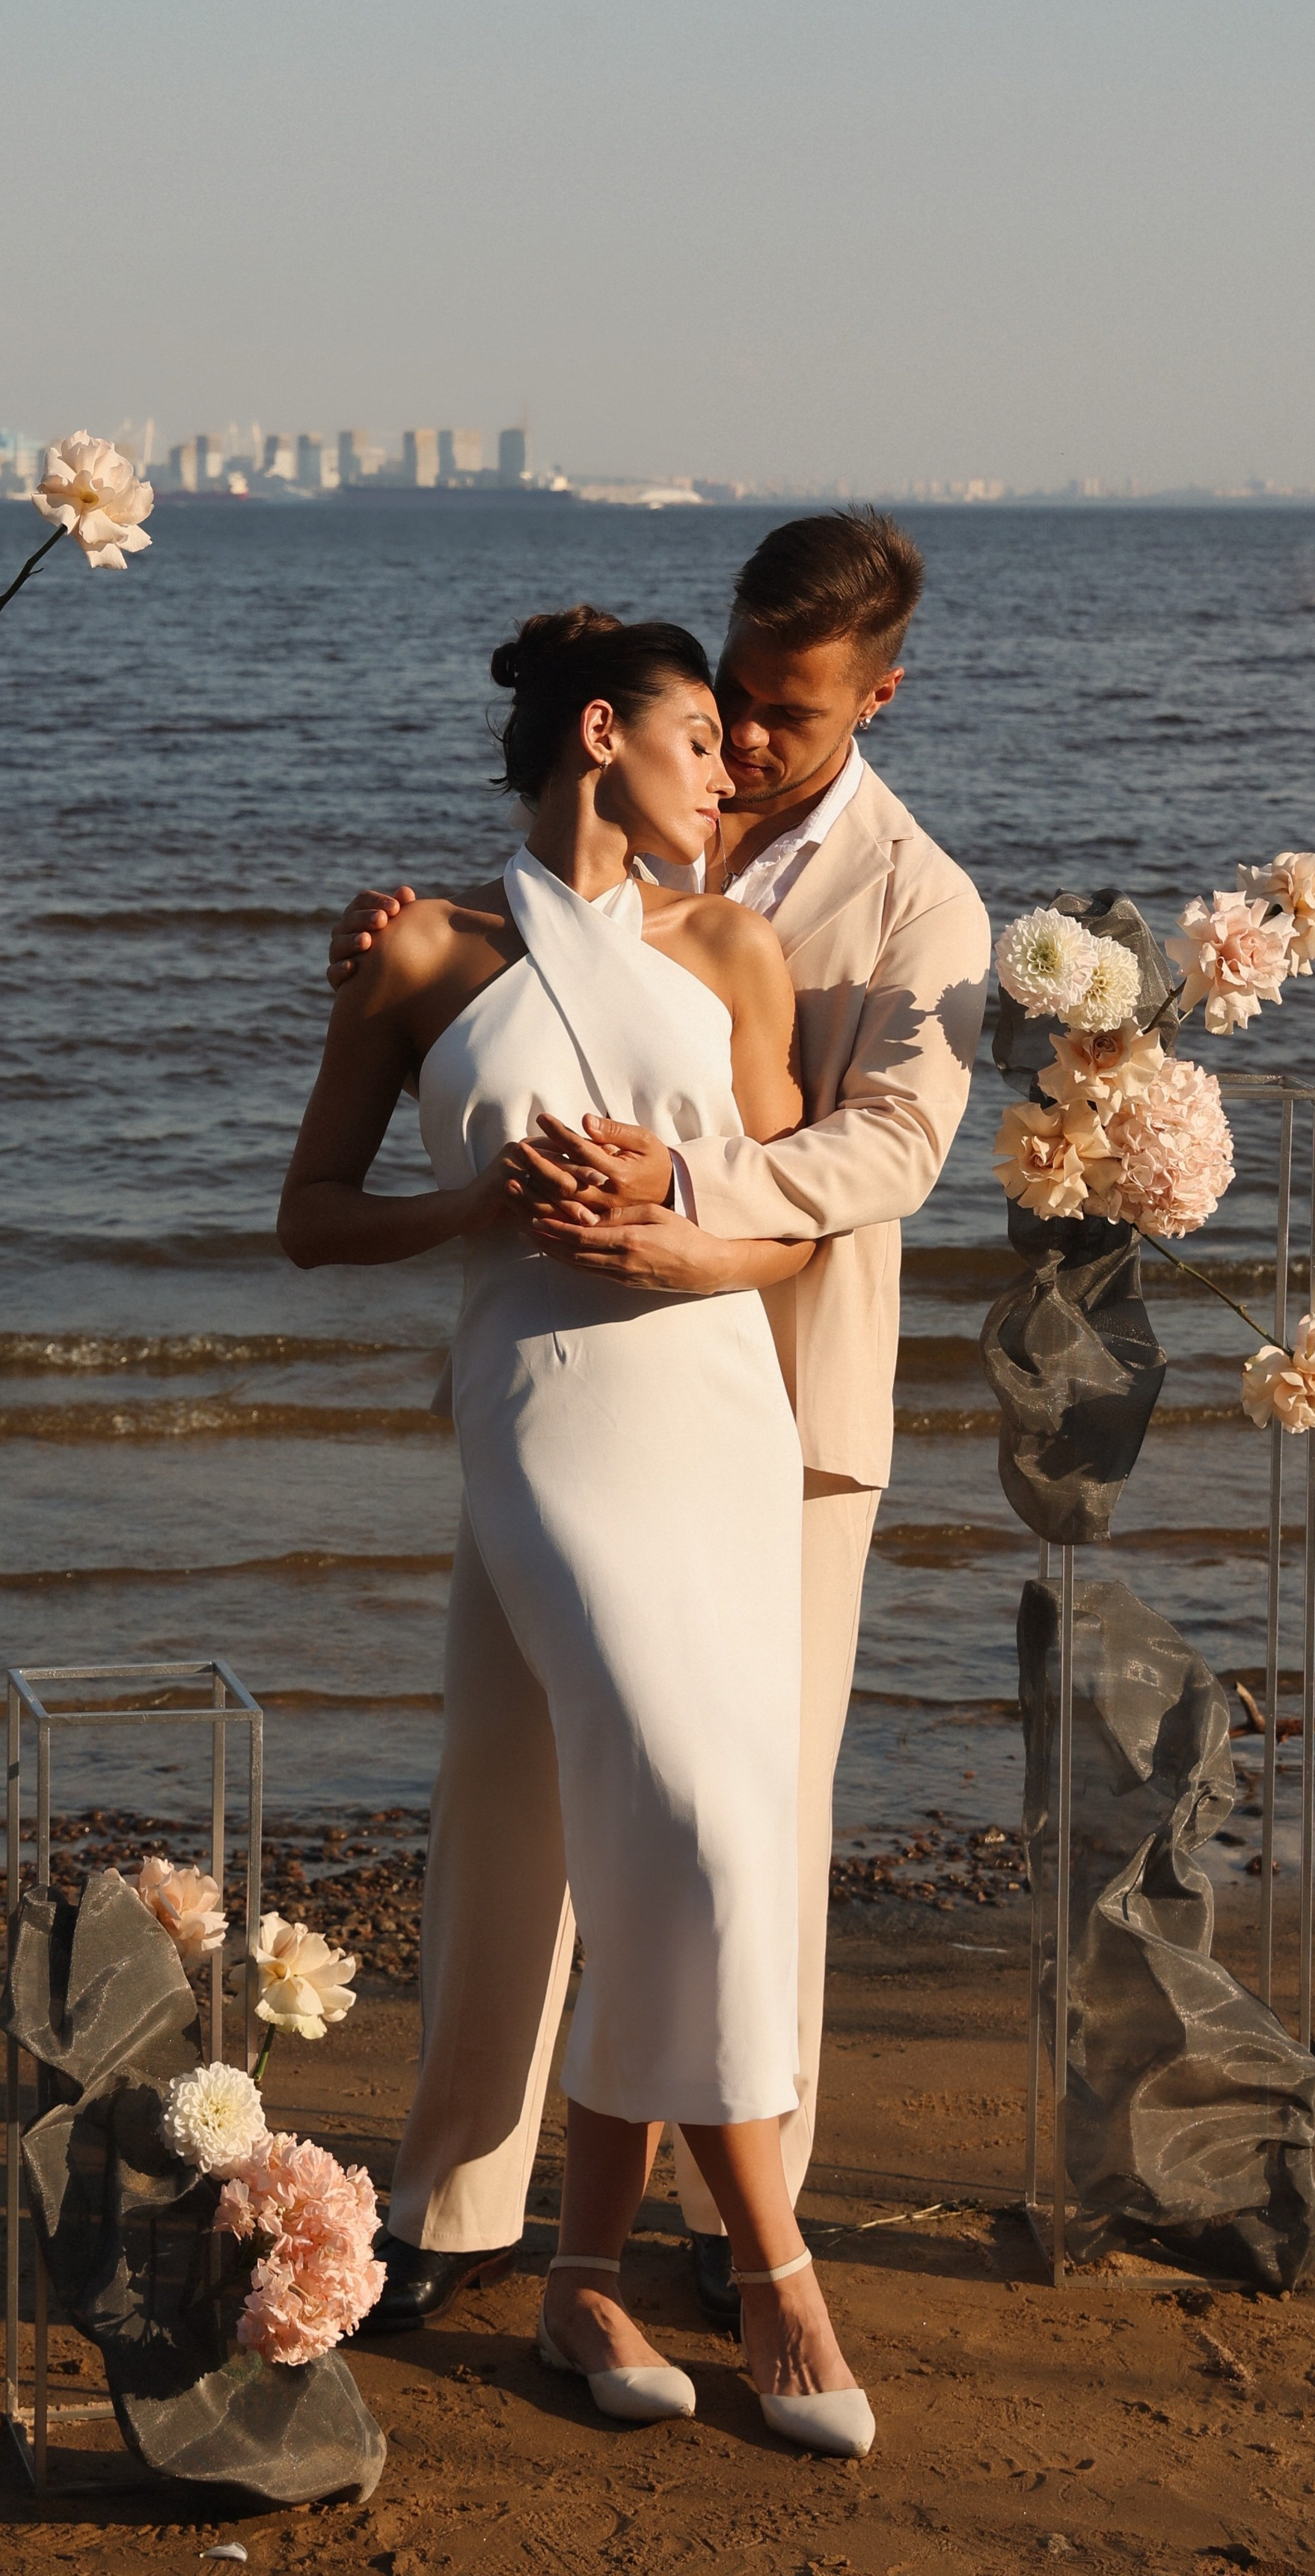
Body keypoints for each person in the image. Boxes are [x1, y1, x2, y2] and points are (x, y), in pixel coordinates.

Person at [328, 509, 991, 2335]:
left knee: (737, 1818)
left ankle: (722, 2213)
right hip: (554, 1398)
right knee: (502, 1794)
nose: (753, 739)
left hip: (779, 1409)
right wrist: (396, 968)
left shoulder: (916, 898)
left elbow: (892, 1147)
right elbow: (486, 990)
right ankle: (456, 2197)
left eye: (788, 708)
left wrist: (684, 1184)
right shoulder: (642, 793)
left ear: (878, 694)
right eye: (736, 697)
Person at [281, 607, 874, 2454]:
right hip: (543, 1417)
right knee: (683, 1808)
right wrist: (469, 1207)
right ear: (602, 734)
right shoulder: (419, 955)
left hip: (713, 1403)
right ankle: (775, 2264)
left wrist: (681, 1221)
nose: (731, 772)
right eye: (704, 741)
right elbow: (308, 1213)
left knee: (688, 1815)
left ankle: (585, 2273)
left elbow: (796, 1224)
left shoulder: (736, 947)